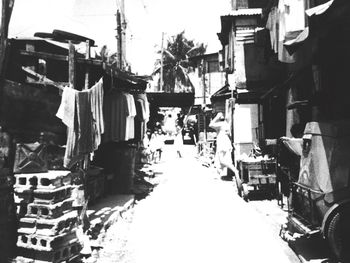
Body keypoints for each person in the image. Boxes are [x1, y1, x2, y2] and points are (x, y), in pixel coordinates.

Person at [209, 112, 238, 178]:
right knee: (220, 159)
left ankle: (235, 171)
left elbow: (210, 124)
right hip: (226, 143)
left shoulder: (220, 124)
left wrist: (216, 117)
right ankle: (218, 174)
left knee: (222, 160)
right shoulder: (226, 124)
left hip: (222, 143)